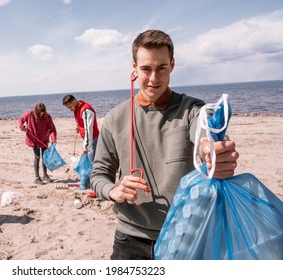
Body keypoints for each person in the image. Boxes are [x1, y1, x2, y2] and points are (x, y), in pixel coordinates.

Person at [90, 29, 239, 260]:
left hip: (186, 235)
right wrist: (113, 190)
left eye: (161, 68)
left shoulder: (191, 109)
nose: (153, 78)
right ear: (134, 67)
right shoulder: (114, 118)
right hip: (130, 238)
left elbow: (202, 135)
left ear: (172, 65)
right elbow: (98, 174)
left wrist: (210, 152)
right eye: (146, 69)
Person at [19, 103, 57, 185]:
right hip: (33, 139)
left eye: (43, 113)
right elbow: (21, 119)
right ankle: (37, 177)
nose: (41, 115)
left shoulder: (47, 116)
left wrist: (53, 140)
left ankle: (45, 175)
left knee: (45, 157)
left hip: (44, 139)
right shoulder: (30, 114)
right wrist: (22, 127)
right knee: (37, 156)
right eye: (40, 113)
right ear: (36, 111)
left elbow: (52, 129)